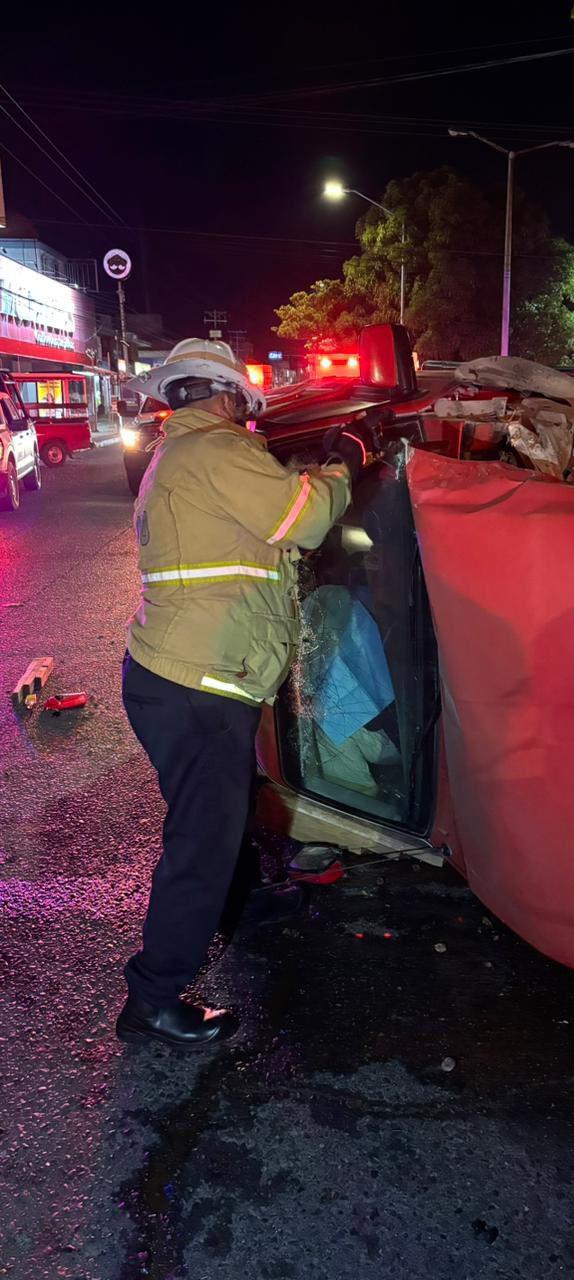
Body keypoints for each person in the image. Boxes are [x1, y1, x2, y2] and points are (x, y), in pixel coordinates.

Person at [116, 339, 371, 1050]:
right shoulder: (215, 451)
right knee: (200, 839)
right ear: (228, 397)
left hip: (181, 676)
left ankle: (239, 900)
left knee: (217, 813)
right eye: (246, 406)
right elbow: (309, 517)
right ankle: (154, 1000)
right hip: (197, 683)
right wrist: (344, 461)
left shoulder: (183, 453)